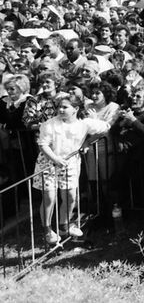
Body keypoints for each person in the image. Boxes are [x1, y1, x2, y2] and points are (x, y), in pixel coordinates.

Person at [32, 93, 112, 244]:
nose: (60, 110)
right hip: (48, 163)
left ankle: (64, 224)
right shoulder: (49, 124)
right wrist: (55, 159)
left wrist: (88, 142)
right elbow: (42, 145)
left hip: (70, 163)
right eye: (59, 107)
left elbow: (105, 128)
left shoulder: (84, 123)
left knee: (70, 196)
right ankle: (47, 230)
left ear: (75, 109)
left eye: (64, 107)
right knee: (49, 197)